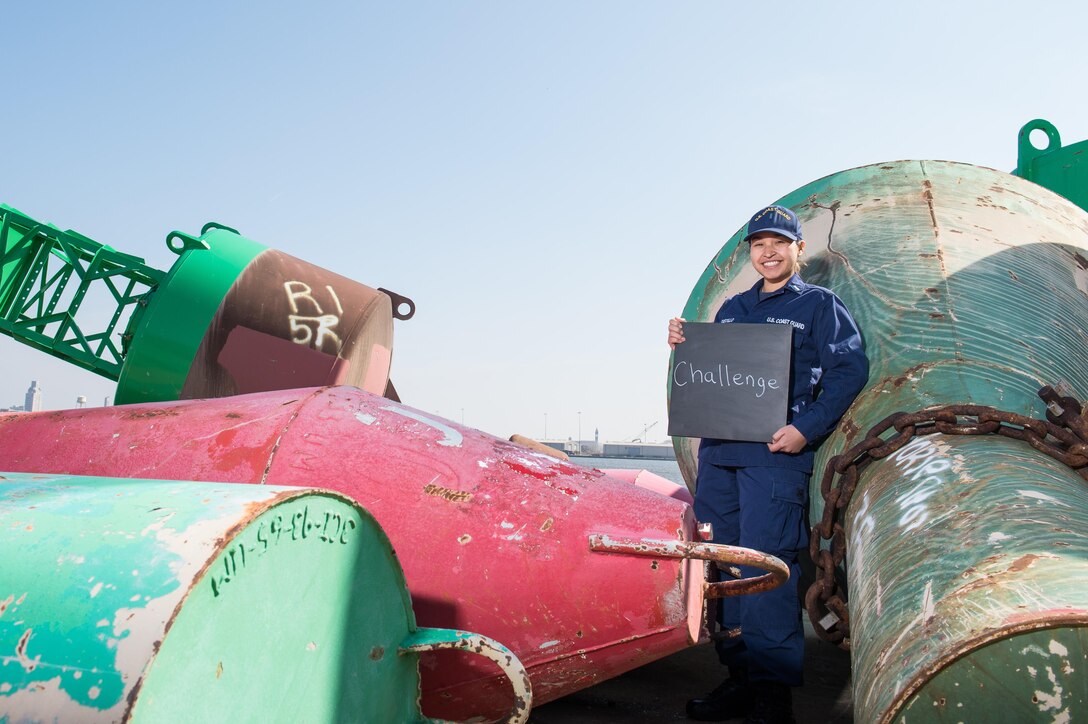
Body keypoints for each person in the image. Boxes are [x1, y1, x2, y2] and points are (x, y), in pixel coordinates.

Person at [667, 204, 868, 724]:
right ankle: (737, 678)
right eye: (759, 245)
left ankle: (772, 699)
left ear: (799, 250)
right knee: (725, 570)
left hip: (774, 461)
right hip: (720, 459)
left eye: (780, 243)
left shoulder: (820, 306)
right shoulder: (731, 309)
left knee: (768, 571)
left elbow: (849, 369)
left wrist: (807, 428)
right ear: (751, 253)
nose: (768, 252)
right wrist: (685, 347)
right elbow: (712, 379)